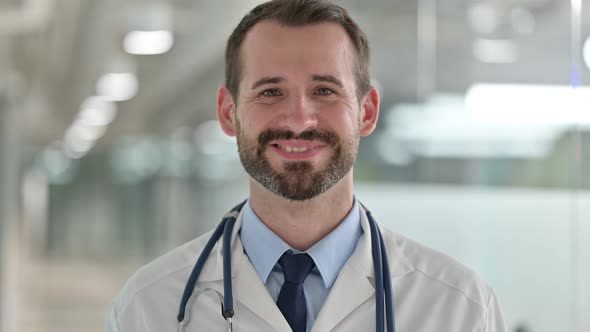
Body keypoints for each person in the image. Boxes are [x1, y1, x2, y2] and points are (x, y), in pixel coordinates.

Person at [105, 0, 506, 331]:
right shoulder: (148, 308)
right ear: (228, 113)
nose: (299, 119)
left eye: (324, 90)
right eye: (271, 91)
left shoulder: (459, 309)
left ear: (366, 111)